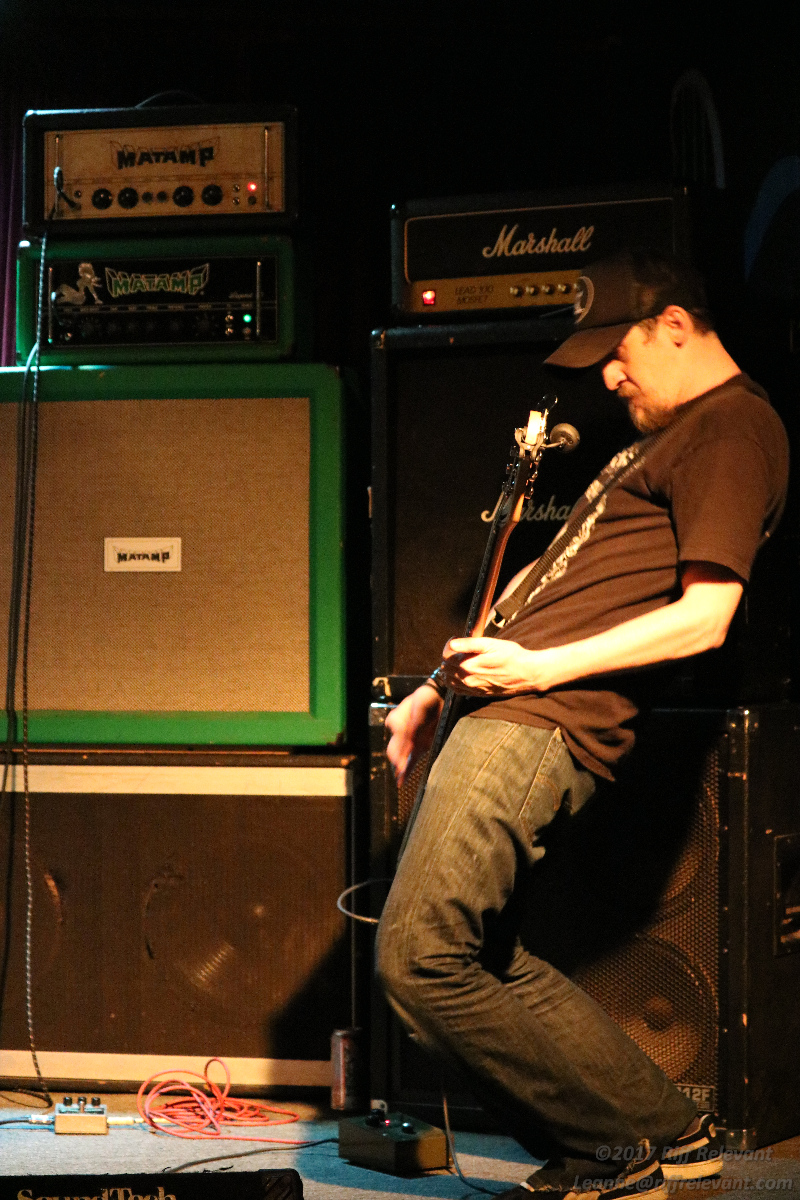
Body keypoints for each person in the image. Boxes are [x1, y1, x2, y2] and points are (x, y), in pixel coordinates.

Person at [375, 250, 790, 1200]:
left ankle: (611, 1156)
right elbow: (550, 583)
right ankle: (671, 1130)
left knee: (419, 958)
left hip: (541, 718)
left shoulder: (734, 427)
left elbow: (708, 616)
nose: (608, 376)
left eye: (618, 351)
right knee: (483, 958)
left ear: (675, 325)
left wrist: (537, 670)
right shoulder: (667, 441)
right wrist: (439, 682)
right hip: (512, 706)